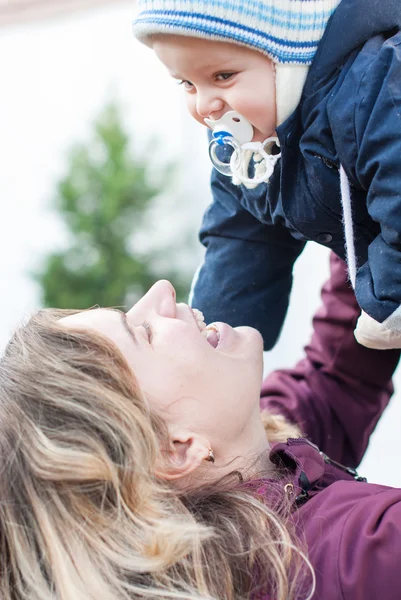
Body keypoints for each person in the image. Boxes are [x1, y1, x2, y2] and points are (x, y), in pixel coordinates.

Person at [0, 254, 400, 599]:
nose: (162, 290)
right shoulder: (363, 557)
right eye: (144, 332)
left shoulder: (247, 449)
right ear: (176, 449)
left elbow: (339, 370)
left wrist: (352, 209)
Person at [132, 0, 401, 350]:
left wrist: (390, 296)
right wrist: (214, 338)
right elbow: (242, 234)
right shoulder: (249, 146)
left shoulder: (377, 86)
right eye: (187, 83)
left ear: (288, 60)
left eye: (222, 77)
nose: (204, 106)